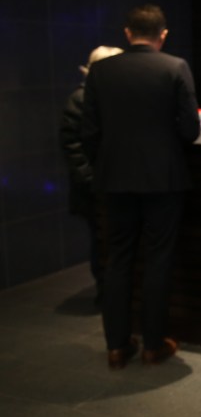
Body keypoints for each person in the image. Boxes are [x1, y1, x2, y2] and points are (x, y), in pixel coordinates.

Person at [81, 4, 201, 370]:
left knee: (117, 261)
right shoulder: (174, 67)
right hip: (164, 181)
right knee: (158, 260)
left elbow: (89, 132)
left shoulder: (100, 72)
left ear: (128, 33)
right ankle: (153, 344)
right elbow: (189, 131)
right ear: (162, 35)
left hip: (114, 181)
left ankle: (116, 346)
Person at [59, 45, 125, 306]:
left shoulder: (101, 98)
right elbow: (73, 148)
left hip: (103, 186)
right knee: (102, 242)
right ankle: (106, 294)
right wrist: (92, 182)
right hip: (94, 189)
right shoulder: (81, 99)